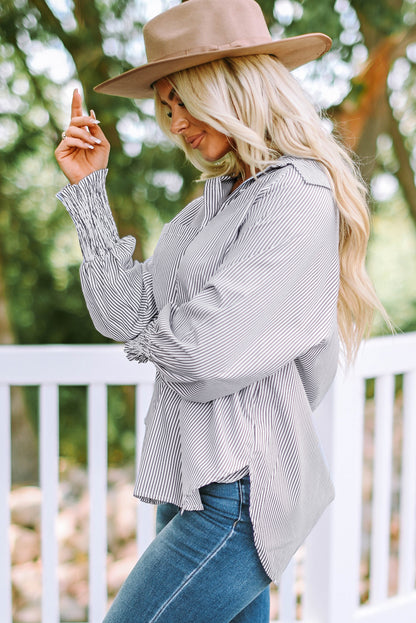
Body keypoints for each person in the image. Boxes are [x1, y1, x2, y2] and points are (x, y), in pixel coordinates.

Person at [54, 0, 388, 621]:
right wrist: (89, 193)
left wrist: (151, 331)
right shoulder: (213, 206)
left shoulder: (296, 194)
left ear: (234, 87)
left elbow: (205, 357)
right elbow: (119, 313)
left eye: (185, 99)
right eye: (166, 106)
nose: (175, 122)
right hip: (192, 482)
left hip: (238, 496)